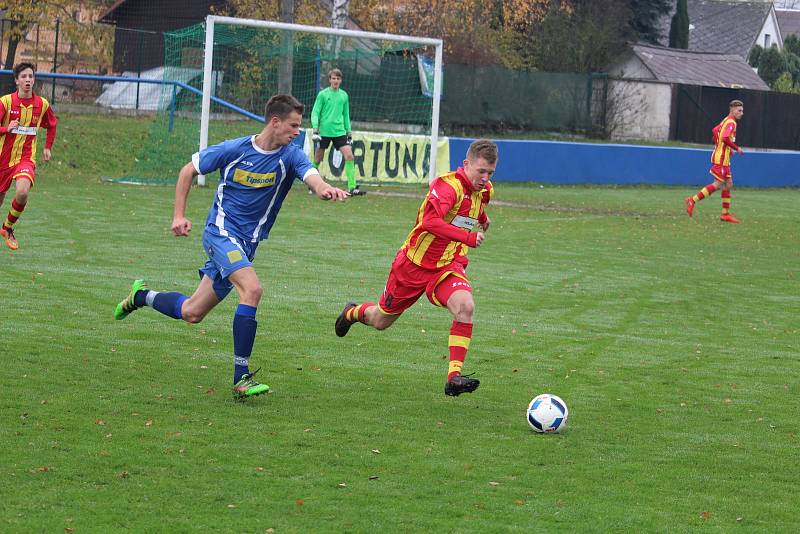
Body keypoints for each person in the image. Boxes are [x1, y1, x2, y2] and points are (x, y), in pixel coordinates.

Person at [114, 94, 349, 400]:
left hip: (245, 245)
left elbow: (311, 175)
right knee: (252, 290)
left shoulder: (290, 155)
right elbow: (188, 170)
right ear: (274, 122)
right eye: (293, 126)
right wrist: (178, 215)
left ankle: (141, 296)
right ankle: (242, 378)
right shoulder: (233, 149)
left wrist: (323, 188)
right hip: (220, 233)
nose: (297, 132)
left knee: (192, 312)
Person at [334, 139, 497, 397]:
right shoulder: (447, 187)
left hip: (446, 266)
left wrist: (483, 219)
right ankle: (352, 312)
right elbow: (431, 221)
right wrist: (467, 237)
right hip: (412, 266)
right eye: (481, 171)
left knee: (465, 307)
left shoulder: (485, 190)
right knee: (380, 321)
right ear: (466, 164)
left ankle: (454, 377)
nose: (485, 178)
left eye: (490, 173)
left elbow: (477, 207)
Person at [0, 62, 58, 250]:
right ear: (16, 80)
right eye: (23, 77)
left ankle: (7, 228)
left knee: (23, 191)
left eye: (30, 76)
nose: (27, 80)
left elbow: (52, 124)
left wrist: (47, 147)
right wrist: (5, 128)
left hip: (25, 159)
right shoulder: (6, 102)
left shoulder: (41, 104)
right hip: (3, 159)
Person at [685, 99, 744, 223]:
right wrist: (736, 148)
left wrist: (724, 147)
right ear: (732, 110)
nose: (741, 113)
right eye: (739, 110)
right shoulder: (731, 122)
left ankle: (725, 214)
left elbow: (715, 131)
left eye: (742, 110)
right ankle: (692, 200)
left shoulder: (726, 120)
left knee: (728, 185)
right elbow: (725, 137)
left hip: (724, 158)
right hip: (721, 158)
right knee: (717, 184)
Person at [310, 68, 364, 196]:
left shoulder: (344, 95)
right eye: (333, 78)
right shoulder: (323, 94)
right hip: (324, 131)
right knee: (318, 157)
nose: (335, 81)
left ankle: (352, 187)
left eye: (338, 78)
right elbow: (315, 112)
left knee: (349, 156)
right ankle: (312, 184)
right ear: (329, 80)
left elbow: (346, 115)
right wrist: (315, 129)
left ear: (341, 80)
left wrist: (349, 132)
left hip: (339, 132)